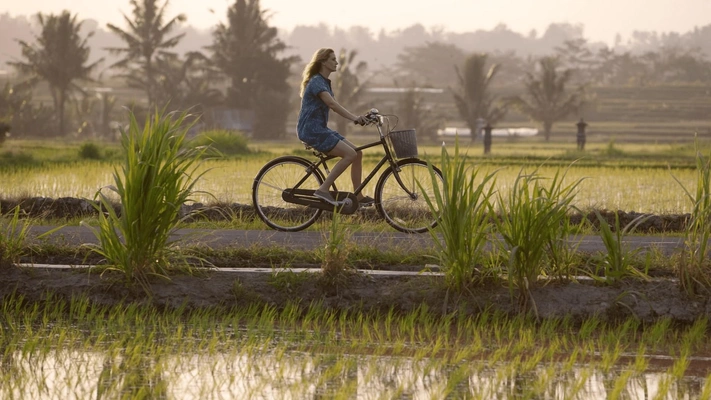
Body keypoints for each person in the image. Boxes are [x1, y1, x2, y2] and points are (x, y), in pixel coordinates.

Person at [296, 48, 373, 206]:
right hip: (312, 130)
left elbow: (334, 104)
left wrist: (362, 117)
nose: (336, 62)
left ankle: (357, 196)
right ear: (323, 62)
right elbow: (332, 104)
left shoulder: (324, 82)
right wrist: (354, 118)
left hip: (320, 129)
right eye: (332, 59)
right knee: (350, 155)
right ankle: (323, 190)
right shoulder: (317, 81)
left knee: (357, 153)